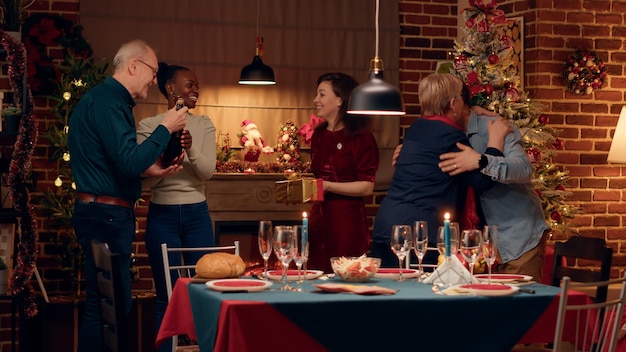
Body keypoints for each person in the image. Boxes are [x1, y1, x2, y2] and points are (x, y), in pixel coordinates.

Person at [68, 39, 188, 352]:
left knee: (108, 307)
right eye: (153, 70)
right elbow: (129, 160)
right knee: (108, 309)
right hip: (105, 218)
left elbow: (119, 164)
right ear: (133, 65)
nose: (154, 79)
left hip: (99, 213)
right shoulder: (109, 101)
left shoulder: (103, 99)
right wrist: (165, 126)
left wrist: (152, 171)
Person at [371, 73, 499, 268]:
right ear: (454, 103)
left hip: (386, 226)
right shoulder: (451, 137)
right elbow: (484, 182)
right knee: (419, 295)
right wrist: (495, 143)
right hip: (420, 234)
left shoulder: (416, 128)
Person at [136, 62, 217, 352]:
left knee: (204, 292)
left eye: (196, 85)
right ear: (171, 89)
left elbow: (207, 172)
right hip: (163, 216)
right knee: (167, 296)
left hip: (197, 215)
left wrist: (191, 146)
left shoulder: (204, 123)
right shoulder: (148, 126)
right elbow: (143, 179)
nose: (195, 90)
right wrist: (163, 155)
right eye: (189, 85)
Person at [436, 92, 550, 282]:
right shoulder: (445, 136)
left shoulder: (496, 126)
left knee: (520, 308)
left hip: (517, 237)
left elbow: (523, 169)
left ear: (456, 104)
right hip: (479, 248)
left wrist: (481, 160)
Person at [307, 72, 380, 274]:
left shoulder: (360, 137)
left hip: (346, 222)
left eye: (322, 95)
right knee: (314, 275)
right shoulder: (319, 134)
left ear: (340, 100)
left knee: (345, 276)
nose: (316, 100)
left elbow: (367, 186)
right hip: (318, 219)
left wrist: (328, 186)